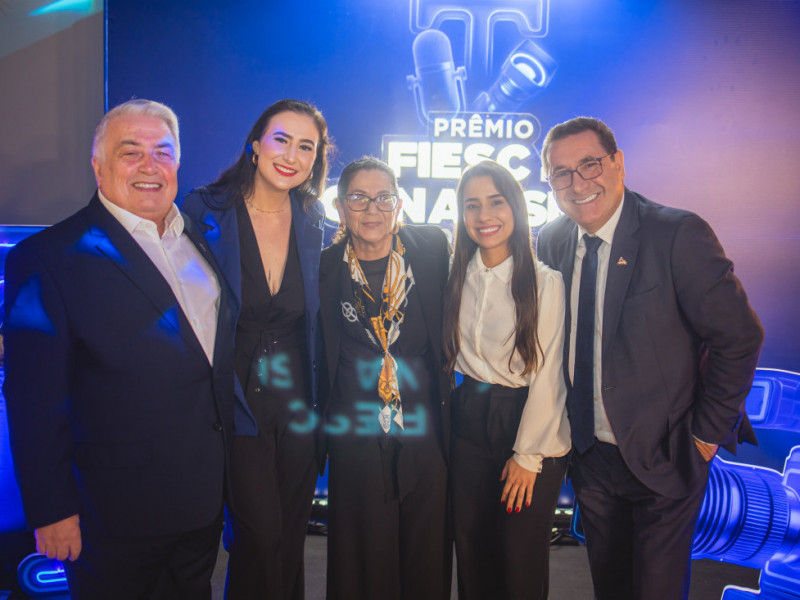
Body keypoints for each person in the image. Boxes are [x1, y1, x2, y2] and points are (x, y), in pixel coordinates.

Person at [3, 99, 235, 598]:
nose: (150, 166)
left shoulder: (202, 239)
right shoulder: (45, 259)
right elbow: (33, 402)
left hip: (199, 506)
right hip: (110, 514)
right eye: (131, 152)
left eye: (163, 151)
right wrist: (51, 510)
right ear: (98, 166)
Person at [536, 116, 764, 599]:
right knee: (611, 589)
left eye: (589, 165)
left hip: (667, 454)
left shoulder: (676, 233)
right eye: (561, 173)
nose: (578, 184)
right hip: (591, 459)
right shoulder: (552, 240)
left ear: (617, 163)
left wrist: (704, 435)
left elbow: (739, 336)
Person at [181, 98, 331, 599]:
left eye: (305, 146)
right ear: (255, 144)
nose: (291, 154)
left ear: (316, 160)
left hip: (299, 403)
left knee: (288, 537)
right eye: (281, 139)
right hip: (235, 397)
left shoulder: (317, 223)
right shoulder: (205, 209)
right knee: (260, 536)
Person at [318, 156, 451, 600]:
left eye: (383, 198)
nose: (371, 209)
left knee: (426, 560)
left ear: (398, 205)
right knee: (360, 566)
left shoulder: (432, 251)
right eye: (358, 198)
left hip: (426, 433)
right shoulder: (323, 268)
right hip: (355, 438)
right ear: (340, 207)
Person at [443, 160, 570, 599]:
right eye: (472, 205)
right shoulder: (454, 276)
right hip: (468, 419)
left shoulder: (544, 283)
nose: (484, 216)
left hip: (526, 424)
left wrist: (527, 455)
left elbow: (551, 374)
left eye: (496, 202)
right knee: (472, 550)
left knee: (518, 560)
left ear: (516, 207)